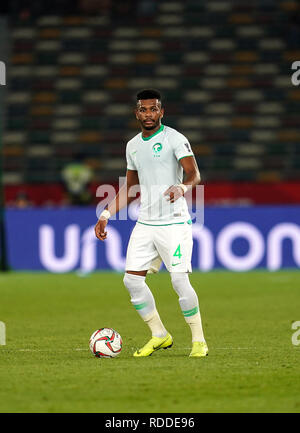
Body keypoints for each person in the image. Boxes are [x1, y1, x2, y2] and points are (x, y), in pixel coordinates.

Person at [94, 89, 208, 358]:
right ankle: (159, 335)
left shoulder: (175, 139)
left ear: (161, 112)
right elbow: (130, 185)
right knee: (131, 281)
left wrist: (181, 187)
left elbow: (194, 174)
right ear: (137, 113)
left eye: (153, 109)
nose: (148, 114)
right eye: (143, 110)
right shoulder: (132, 145)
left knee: (179, 281)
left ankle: (199, 340)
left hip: (174, 224)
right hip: (146, 224)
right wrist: (106, 214)